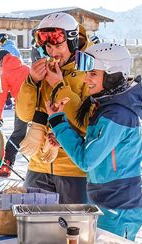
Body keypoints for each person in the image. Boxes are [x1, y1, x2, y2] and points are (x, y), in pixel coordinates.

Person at [46, 43, 142, 240]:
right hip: (106, 202)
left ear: (112, 75)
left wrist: (59, 123)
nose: (87, 79)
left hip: (118, 208)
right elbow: (98, 148)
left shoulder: (117, 114)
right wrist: (66, 140)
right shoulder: (107, 105)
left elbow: (87, 160)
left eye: (93, 73)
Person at [16, 12, 91, 204]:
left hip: (73, 169)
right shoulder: (45, 70)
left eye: (58, 45)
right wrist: (31, 81)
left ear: (73, 42)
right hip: (39, 165)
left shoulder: (90, 71)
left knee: (73, 229)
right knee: (35, 229)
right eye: (48, 46)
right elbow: (24, 115)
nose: (53, 52)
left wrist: (59, 85)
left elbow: (86, 123)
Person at [0, 49, 30, 177]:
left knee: (18, 135)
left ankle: (6, 164)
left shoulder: (4, 73)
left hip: (22, 106)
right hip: (39, 105)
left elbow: (1, 97)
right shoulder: (26, 68)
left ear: (0, 61)